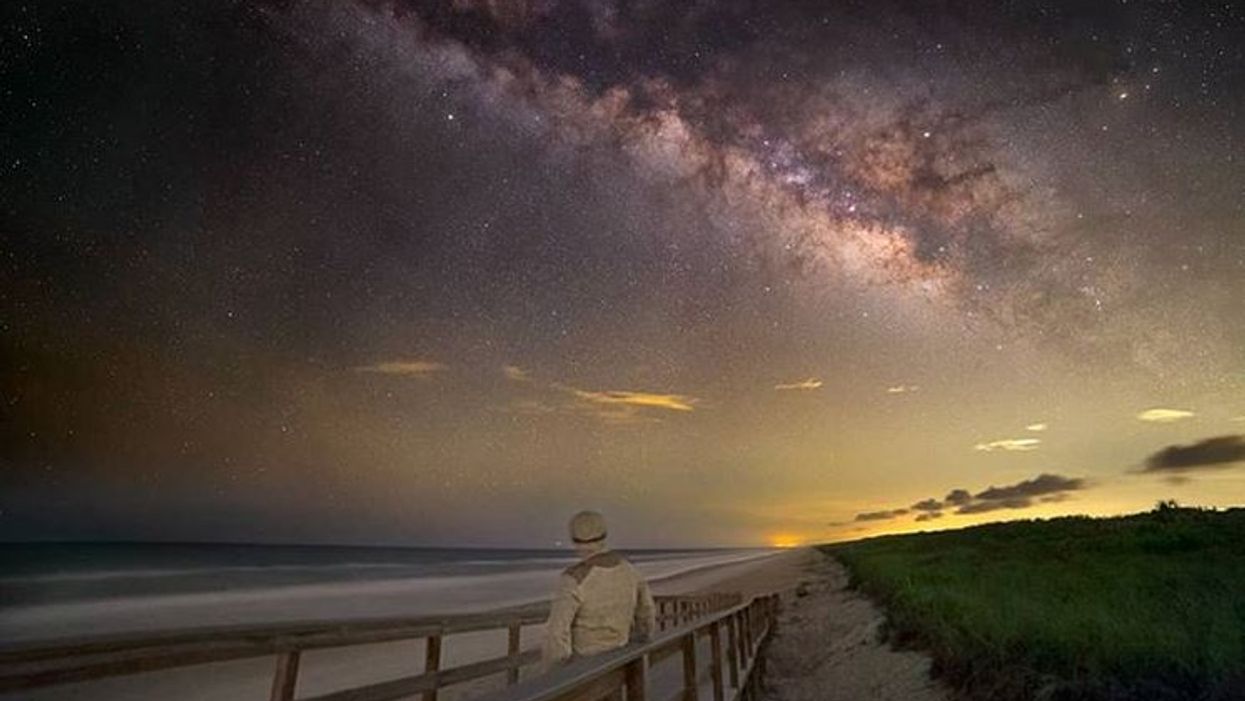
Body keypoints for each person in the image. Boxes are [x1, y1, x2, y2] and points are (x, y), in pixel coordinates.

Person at [541, 510, 657, 667]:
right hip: (619, 663)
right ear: (605, 535)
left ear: (574, 541)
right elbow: (647, 616)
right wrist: (637, 645)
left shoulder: (573, 578)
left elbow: (556, 634)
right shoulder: (630, 570)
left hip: (584, 668)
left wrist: (557, 674)